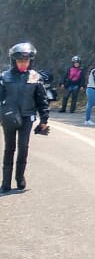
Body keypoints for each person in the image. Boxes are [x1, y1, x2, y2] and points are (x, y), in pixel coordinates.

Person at [1, 42, 50, 192]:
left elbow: (42, 100)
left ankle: (20, 177)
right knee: (9, 148)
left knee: (23, 147)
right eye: (20, 61)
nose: (23, 63)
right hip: (9, 117)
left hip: (27, 117)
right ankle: (6, 182)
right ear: (14, 61)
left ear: (30, 61)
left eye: (26, 61)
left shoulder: (35, 77)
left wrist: (44, 120)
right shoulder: (4, 76)